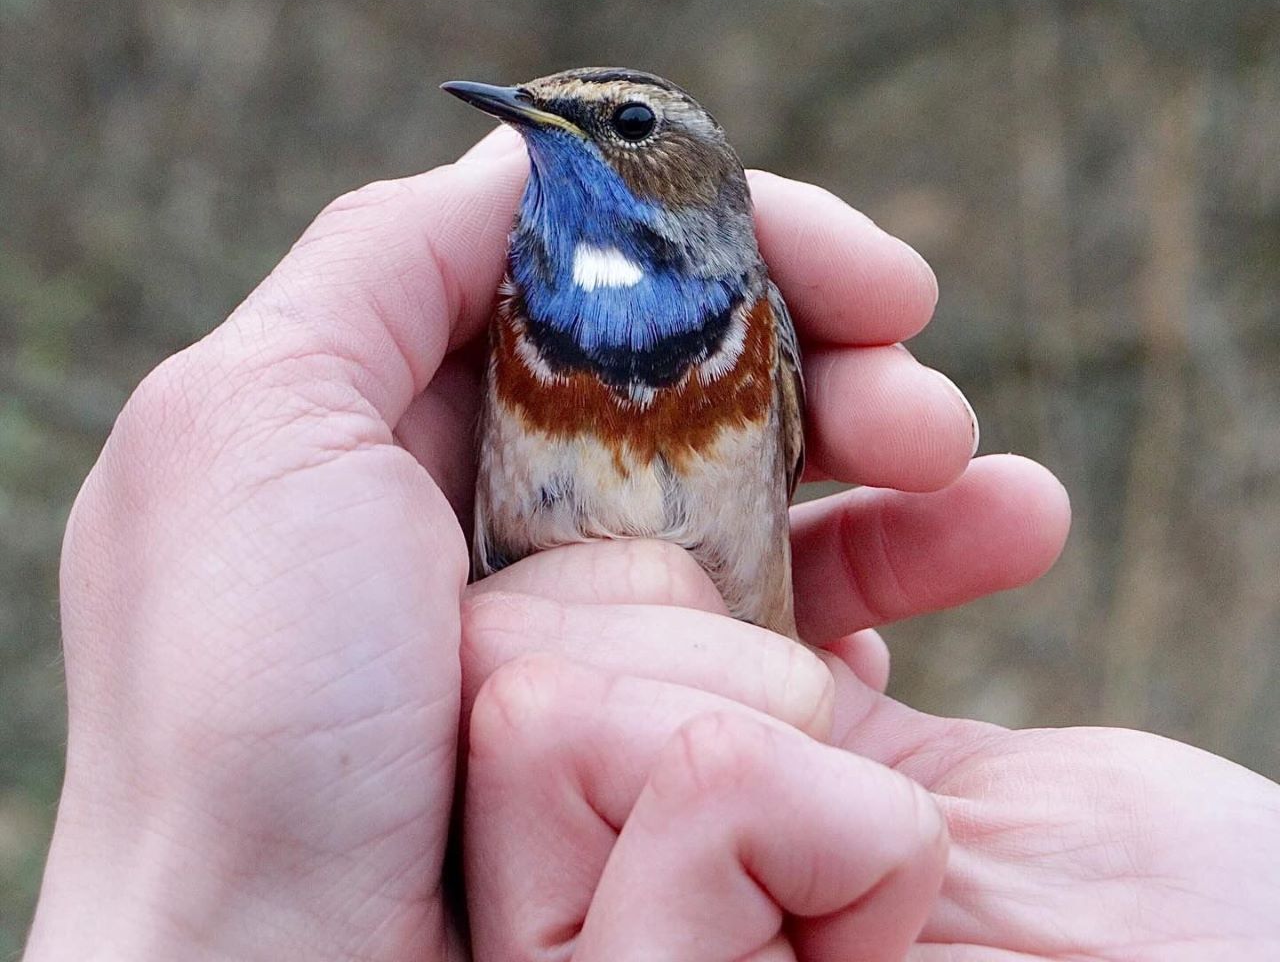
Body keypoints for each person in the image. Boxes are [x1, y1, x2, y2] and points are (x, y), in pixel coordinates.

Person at [24, 129, 1280, 961]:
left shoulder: (761, 330)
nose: (566, 132)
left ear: (686, 170)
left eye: (623, 121)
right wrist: (241, 907)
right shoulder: (503, 313)